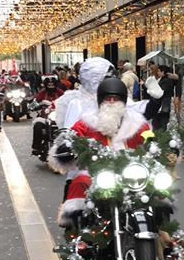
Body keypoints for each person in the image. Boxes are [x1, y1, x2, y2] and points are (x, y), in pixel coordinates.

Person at [54, 76, 153, 226]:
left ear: (124, 100)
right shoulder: (87, 122)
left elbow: (150, 140)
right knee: (80, 181)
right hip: (97, 174)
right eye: (108, 98)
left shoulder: (137, 123)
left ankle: (162, 232)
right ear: (100, 100)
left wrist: (159, 148)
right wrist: (66, 147)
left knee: (158, 188)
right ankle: (80, 231)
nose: (112, 102)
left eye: (115, 98)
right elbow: (72, 136)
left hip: (130, 174)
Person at [54, 57, 114, 132]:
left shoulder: (115, 99)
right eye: (107, 78)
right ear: (93, 79)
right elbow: (71, 136)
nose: (112, 82)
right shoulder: (77, 103)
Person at [31, 76, 64, 157]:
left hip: (60, 117)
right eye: (48, 84)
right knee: (37, 125)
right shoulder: (41, 93)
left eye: (52, 84)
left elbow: (68, 100)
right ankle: (36, 147)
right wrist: (38, 104)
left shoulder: (61, 92)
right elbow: (33, 103)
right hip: (44, 117)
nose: (50, 85)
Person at [152, 65, 175, 131]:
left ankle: (161, 135)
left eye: (159, 71)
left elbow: (161, 91)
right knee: (160, 119)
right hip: (162, 103)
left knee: (163, 120)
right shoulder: (163, 79)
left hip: (164, 103)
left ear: (163, 72)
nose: (158, 73)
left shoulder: (166, 80)